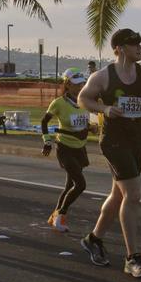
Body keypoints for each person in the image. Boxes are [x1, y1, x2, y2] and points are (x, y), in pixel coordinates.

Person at [78, 29, 141, 279]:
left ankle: (93, 239)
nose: (139, 48)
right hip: (114, 141)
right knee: (133, 194)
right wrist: (104, 108)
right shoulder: (103, 76)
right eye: (134, 44)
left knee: (118, 195)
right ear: (119, 48)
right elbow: (84, 99)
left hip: (136, 140)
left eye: (140, 44)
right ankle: (132, 258)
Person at [41, 68, 91, 233]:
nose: (80, 86)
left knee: (70, 185)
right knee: (80, 184)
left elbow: (87, 123)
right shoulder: (59, 103)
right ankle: (61, 215)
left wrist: (92, 128)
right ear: (67, 84)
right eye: (76, 84)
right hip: (65, 148)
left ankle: (54, 215)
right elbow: (44, 122)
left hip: (80, 148)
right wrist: (47, 141)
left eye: (82, 83)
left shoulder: (85, 101)